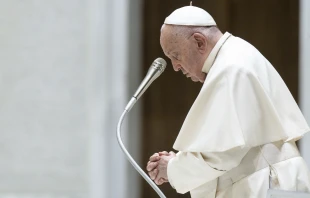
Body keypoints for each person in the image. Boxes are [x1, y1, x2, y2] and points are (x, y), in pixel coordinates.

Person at [146, 5, 310, 198]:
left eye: (176, 56)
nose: (175, 67)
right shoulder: (234, 56)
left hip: (266, 186)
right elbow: (224, 146)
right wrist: (180, 161)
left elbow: (221, 155)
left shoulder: (231, 68)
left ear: (199, 42)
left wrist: (172, 168)